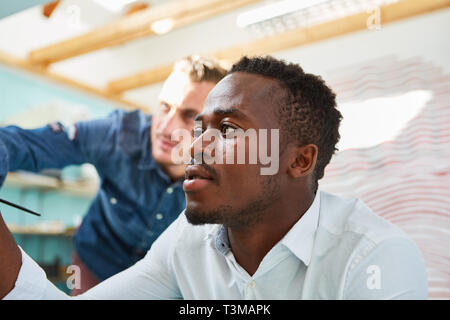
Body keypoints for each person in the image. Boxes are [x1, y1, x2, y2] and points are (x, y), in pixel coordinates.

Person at [0, 56, 427, 299]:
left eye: (227, 130)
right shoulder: (187, 241)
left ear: (299, 161)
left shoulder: (375, 259)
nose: (193, 143)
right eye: (200, 127)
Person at [0, 55, 228, 294]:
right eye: (164, 106)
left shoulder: (223, 173)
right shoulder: (118, 134)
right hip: (92, 263)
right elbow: (31, 143)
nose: (165, 127)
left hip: (159, 279)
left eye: (190, 115)